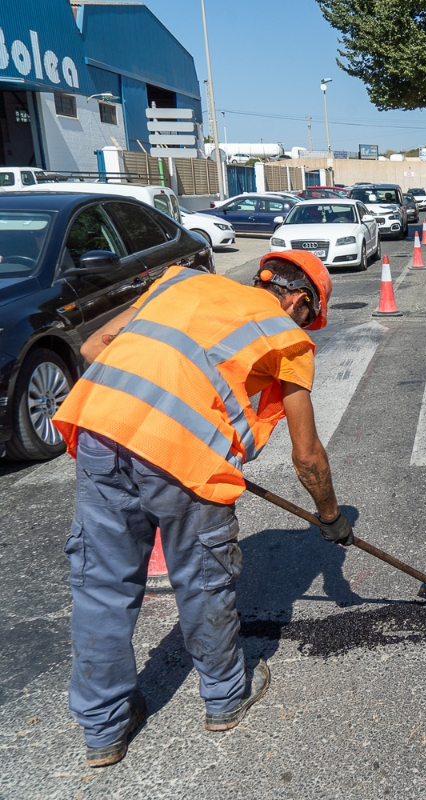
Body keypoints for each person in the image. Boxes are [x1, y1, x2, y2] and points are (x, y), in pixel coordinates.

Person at [52, 251, 356, 768]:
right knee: (202, 578)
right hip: (183, 459)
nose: (306, 326)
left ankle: (104, 731)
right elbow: (307, 456)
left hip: (101, 431)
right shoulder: (288, 337)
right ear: (299, 301)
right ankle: (224, 698)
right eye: (310, 317)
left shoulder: (179, 281)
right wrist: (329, 517)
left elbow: (93, 345)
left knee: (101, 587)